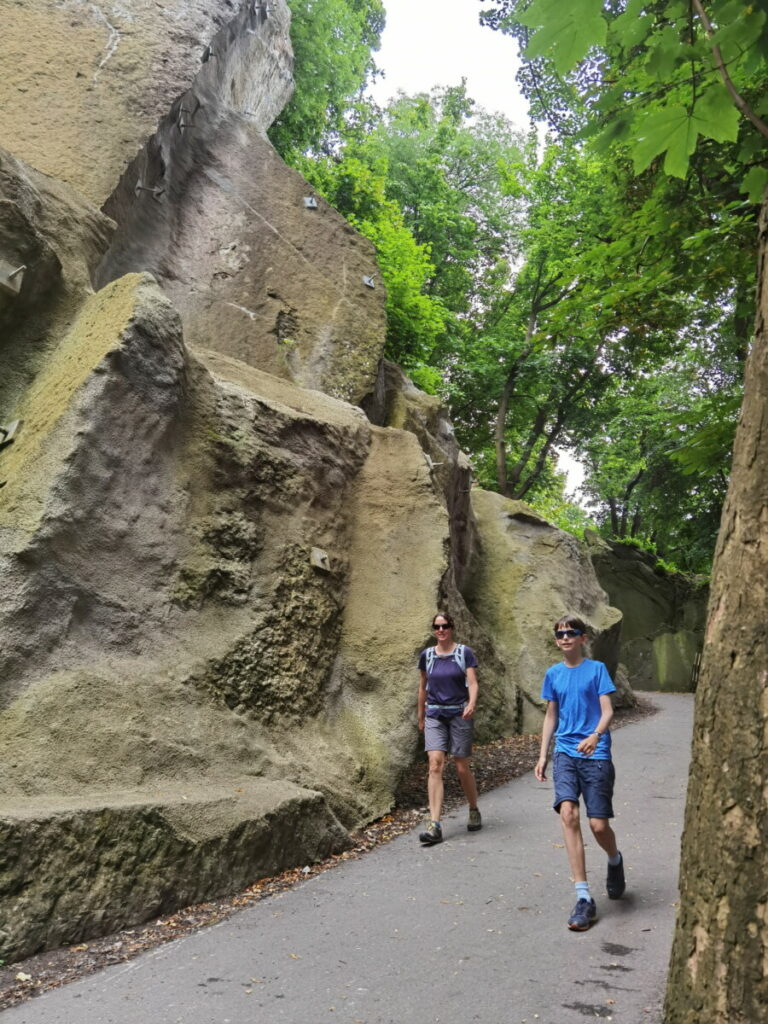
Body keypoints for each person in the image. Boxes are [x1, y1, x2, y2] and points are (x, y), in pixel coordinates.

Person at [535, 614, 626, 930]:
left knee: (599, 825)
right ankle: (584, 897)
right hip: (565, 754)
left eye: (571, 633)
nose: (565, 638)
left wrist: (596, 735)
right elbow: (551, 716)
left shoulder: (597, 670)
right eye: (559, 633)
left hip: (595, 752)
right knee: (569, 815)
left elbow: (608, 710)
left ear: (583, 638)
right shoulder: (553, 674)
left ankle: (614, 860)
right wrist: (543, 754)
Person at [417, 612, 482, 845]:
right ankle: (434, 824)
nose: (441, 630)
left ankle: (473, 808)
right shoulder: (427, 656)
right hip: (435, 713)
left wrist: (472, 703)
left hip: (459, 713)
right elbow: (423, 687)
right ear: (433, 630)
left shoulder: (464, 653)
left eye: (445, 626)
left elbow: (472, 682)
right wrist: (421, 715)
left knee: (461, 766)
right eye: (437, 626)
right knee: (435, 763)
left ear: (452, 628)